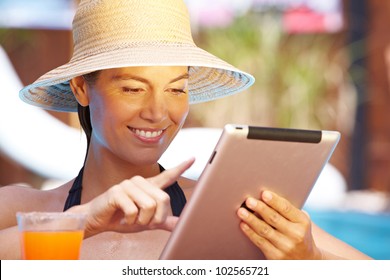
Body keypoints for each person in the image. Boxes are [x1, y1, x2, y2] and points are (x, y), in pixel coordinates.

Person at [0, 0, 370, 260]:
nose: (159, 112)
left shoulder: (228, 212)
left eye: (177, 88)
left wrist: (310, 259)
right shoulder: (24, 211)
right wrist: (85, 222)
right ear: (82, 88)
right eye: (132, 88)